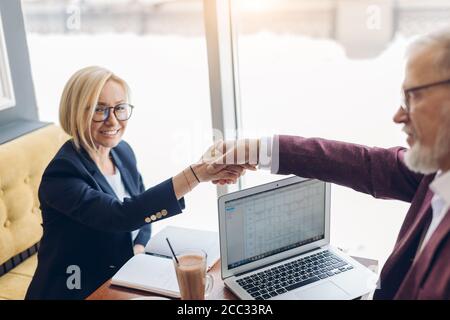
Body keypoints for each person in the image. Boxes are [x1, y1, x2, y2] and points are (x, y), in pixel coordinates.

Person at [212, 29, 450, 299]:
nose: (398, 116)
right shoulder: (438, 171)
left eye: (412, 96)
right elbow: (366, 165)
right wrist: (257, 150)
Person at [25, 66, 251, 299]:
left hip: (121, 277)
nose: (112, 120)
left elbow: (141, 212)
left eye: (120, 108)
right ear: (75, 113)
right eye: (99, 110)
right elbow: (120, 215)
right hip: (75, 289)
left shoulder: (122, 152)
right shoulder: (62, 174)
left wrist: (139, 248)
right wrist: (195, 175)